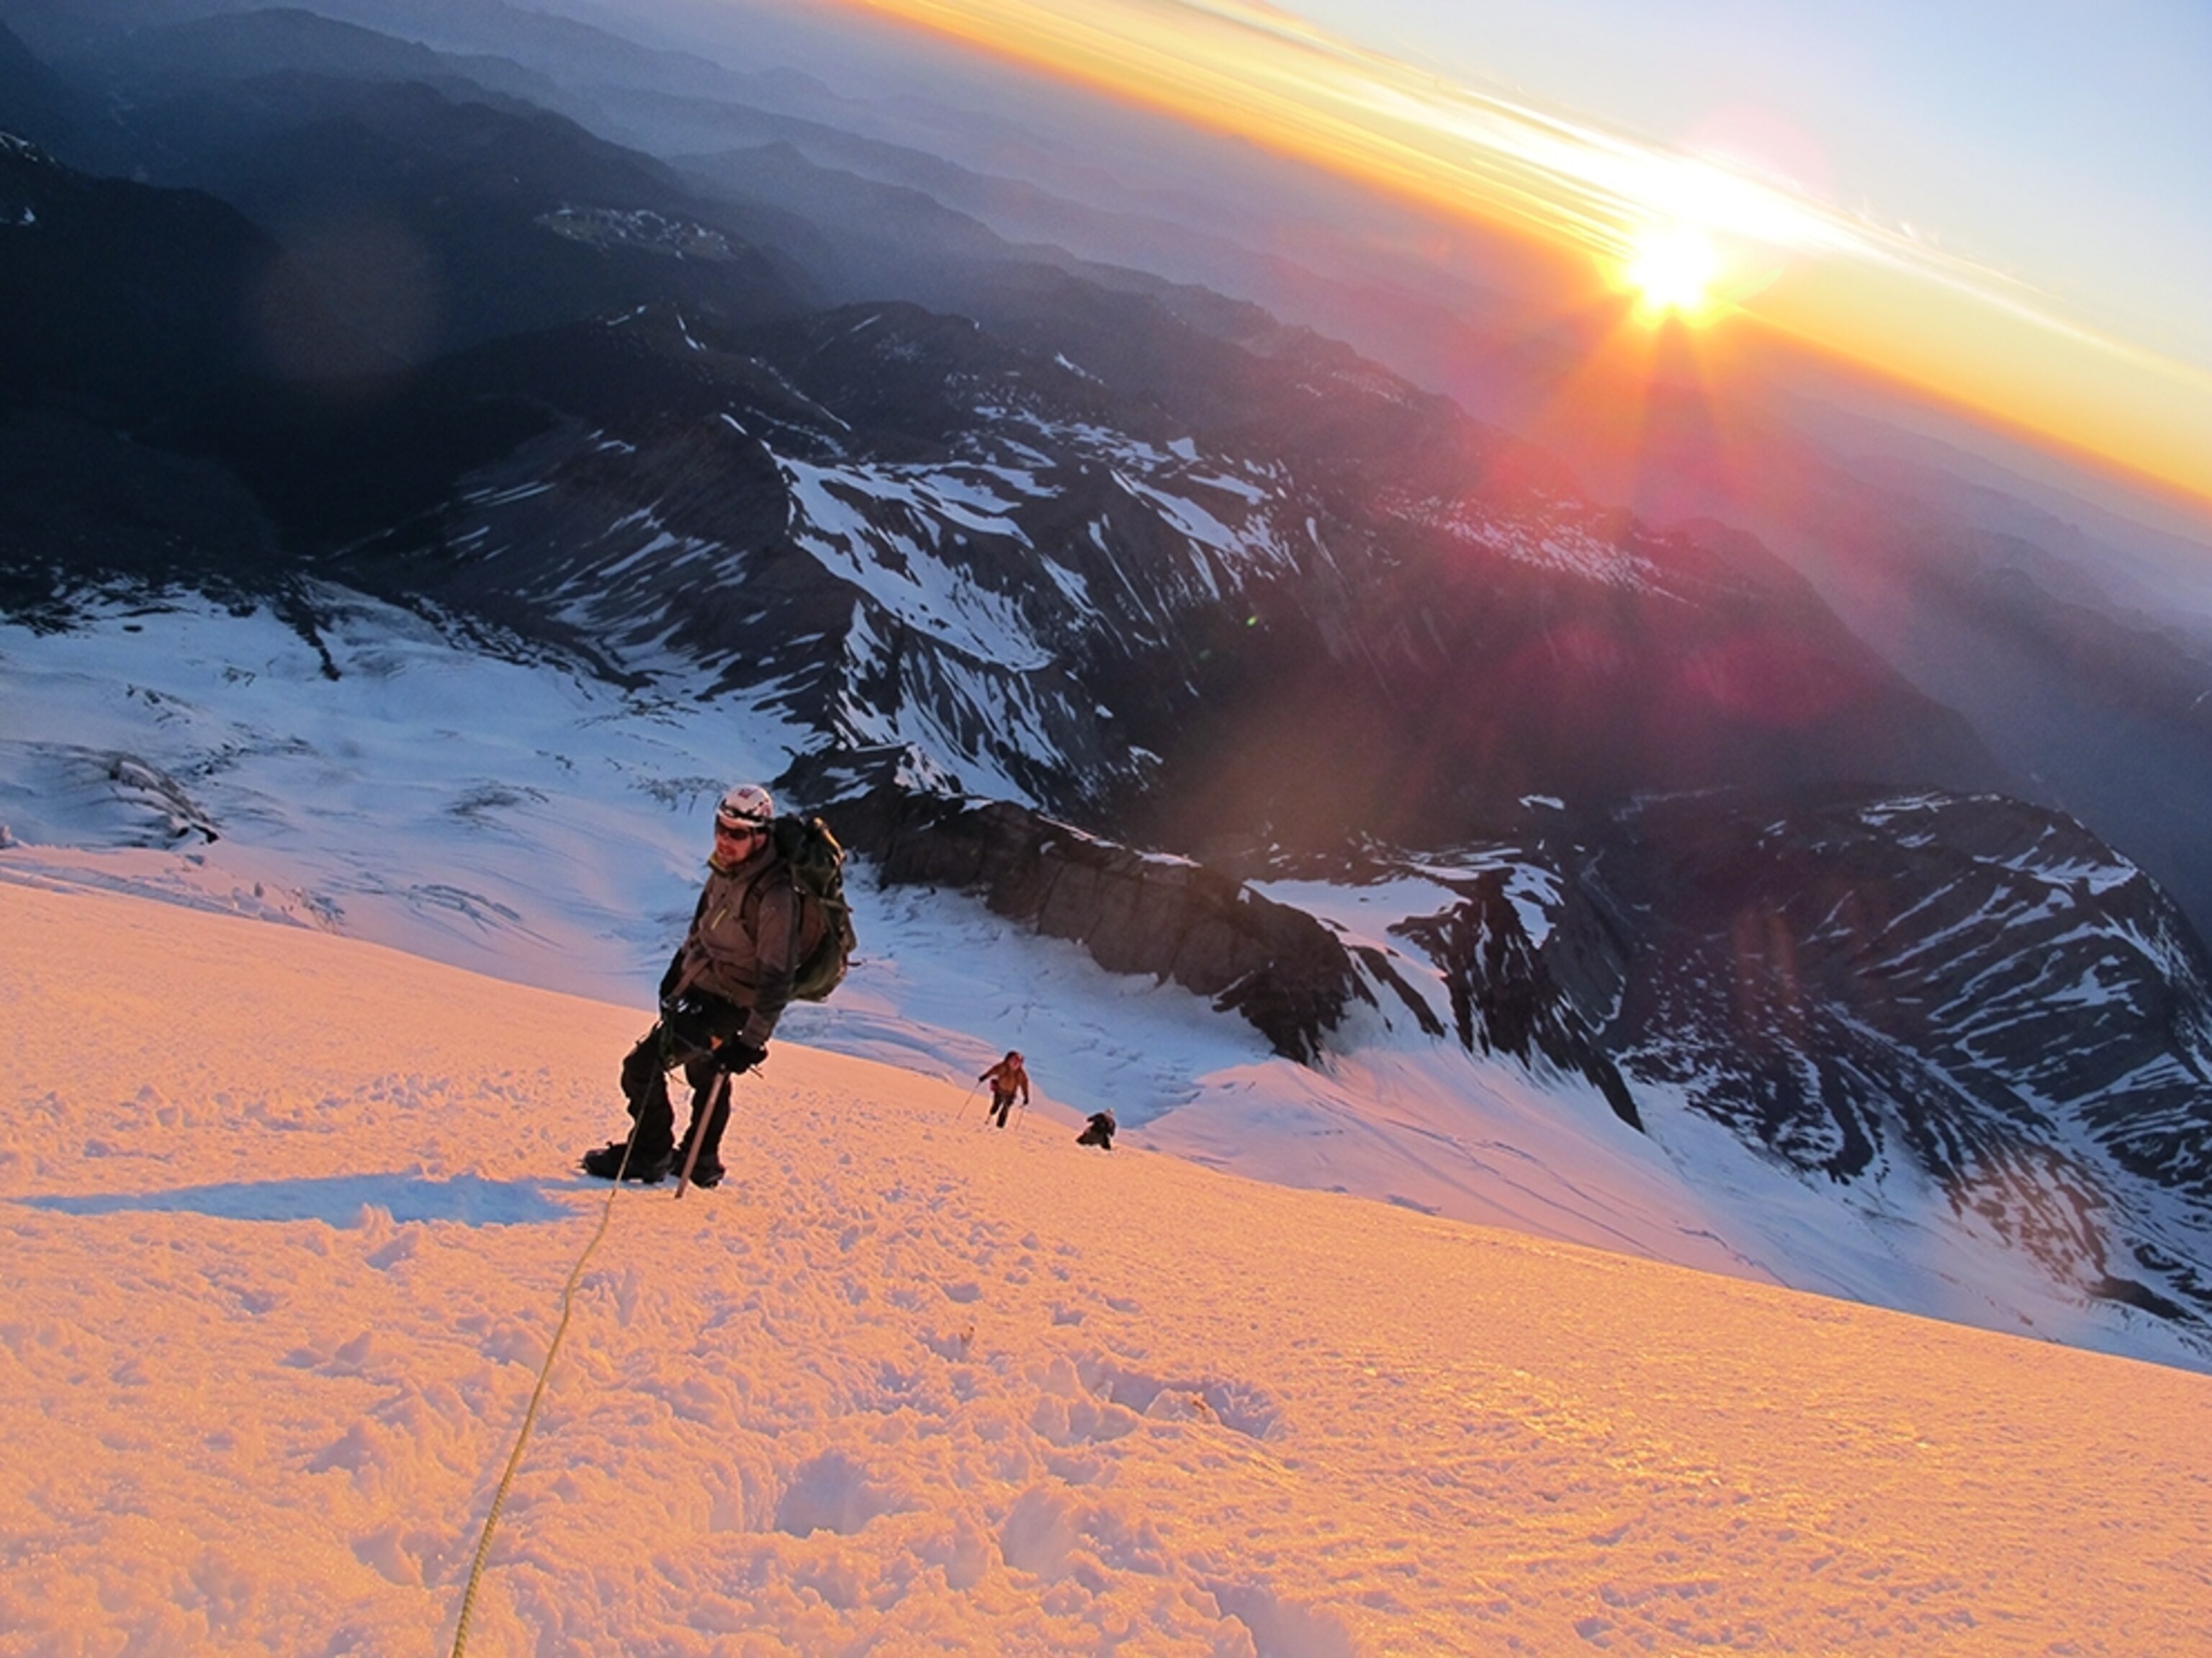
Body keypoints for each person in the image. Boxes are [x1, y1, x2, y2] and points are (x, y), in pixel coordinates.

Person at [583, 783, 814, 1188]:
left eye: (737, 833)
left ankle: (650, 1154)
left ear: (761, 835)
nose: (725, 839)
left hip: (728, 1004)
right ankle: (701, 1160)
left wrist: (751, 1042)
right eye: (721, 828)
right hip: (701, 989)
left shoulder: (775, 895)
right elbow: (702, 927)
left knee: (640, 1070)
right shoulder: (728, 871)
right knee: (706, 1071)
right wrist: (679, 973)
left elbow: (776, 978)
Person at [979, 1050, 1029, 1129]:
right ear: (1009, 1060)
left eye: (1018, 1063)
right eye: (1014, 1061)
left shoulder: (1020, 1074)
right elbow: (993, 1071)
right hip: (999, 1091)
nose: (1015, 1064)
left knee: (1005, 1110)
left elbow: (1024, 1085)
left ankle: (1000, 1127)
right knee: (996, 1106)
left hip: (1010, 1095)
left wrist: (1026, 1096)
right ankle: (990, 1116)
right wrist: (985, 1076)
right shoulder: (1003, 1067)